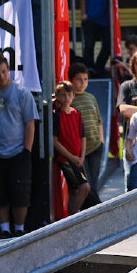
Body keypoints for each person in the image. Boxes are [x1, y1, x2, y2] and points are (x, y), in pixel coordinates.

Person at [0, 53, 38, 238]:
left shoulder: (22, 93)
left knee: (20, 191)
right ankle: (4, 229)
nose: (2, 77)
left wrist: (26, 151)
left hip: (19, 152)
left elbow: (30, 122)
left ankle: (19, 229)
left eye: (4, 72)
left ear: (9, 70)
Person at [52, 81, 90, 215]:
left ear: (73, 96)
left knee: (75, 191)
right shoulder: (56, 115)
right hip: (66, 159)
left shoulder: (77, 113)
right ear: (57, 96)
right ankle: (72, 218)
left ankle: (71, 217)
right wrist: (72, 157)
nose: (66, 98)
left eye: (69, 95)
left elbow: (83, 137)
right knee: (84, 187)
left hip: (77, 159)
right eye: (63, 95)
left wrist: (82, 157)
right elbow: (55, 141)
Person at [69, 62, 104, 200]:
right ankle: (99, 210)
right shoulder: (70, 99)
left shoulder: (91, 97)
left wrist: (101, 141)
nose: (82, 83)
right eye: (79, 79)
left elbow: (98, 121)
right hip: (79, 150)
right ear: (71, 80)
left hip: (95, 146)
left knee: (94, 184)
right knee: (86, 185)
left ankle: (92, 214)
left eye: (85, 79)